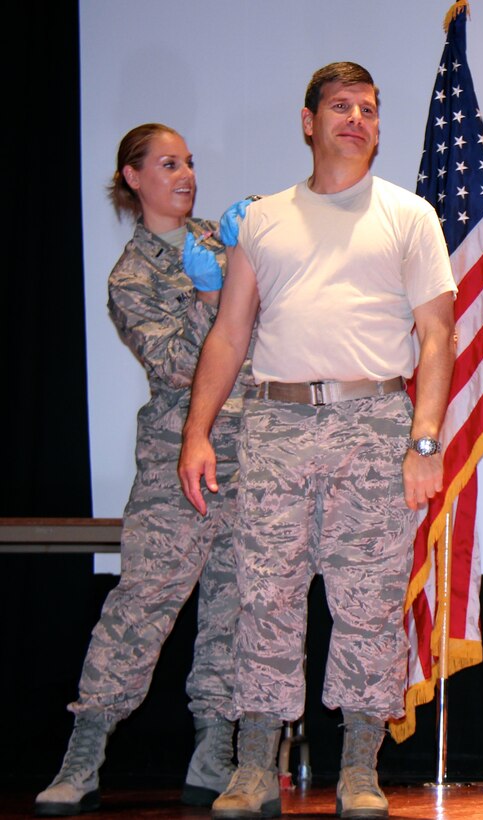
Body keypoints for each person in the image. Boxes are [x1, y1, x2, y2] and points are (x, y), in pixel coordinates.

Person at [177, 61, 456, 820]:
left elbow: (436, 337)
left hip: (374, 423)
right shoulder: (264, 218)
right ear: (309, 121)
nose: (356, 119)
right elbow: (231, 335)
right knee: (264, 598)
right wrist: (198, 434)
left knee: (367, 604)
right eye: (341, 106)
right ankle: (254, 768)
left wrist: (424, 443)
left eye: (368, 108)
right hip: (274, 423)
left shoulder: (409, 215)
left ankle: (360, 769)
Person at [35, 123, 253, 816]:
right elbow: (180, 368)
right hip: (176, 462)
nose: (185, 174)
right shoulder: (130, 276)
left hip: (253, 455)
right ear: (133, 177)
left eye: (188, 162)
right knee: (140, 609)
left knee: (234, 611)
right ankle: (85, 754)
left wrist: (247, 264)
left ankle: (213, 753)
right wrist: (208, 299)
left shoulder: (225, 248)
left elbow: (270, 333)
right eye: (167, 164)